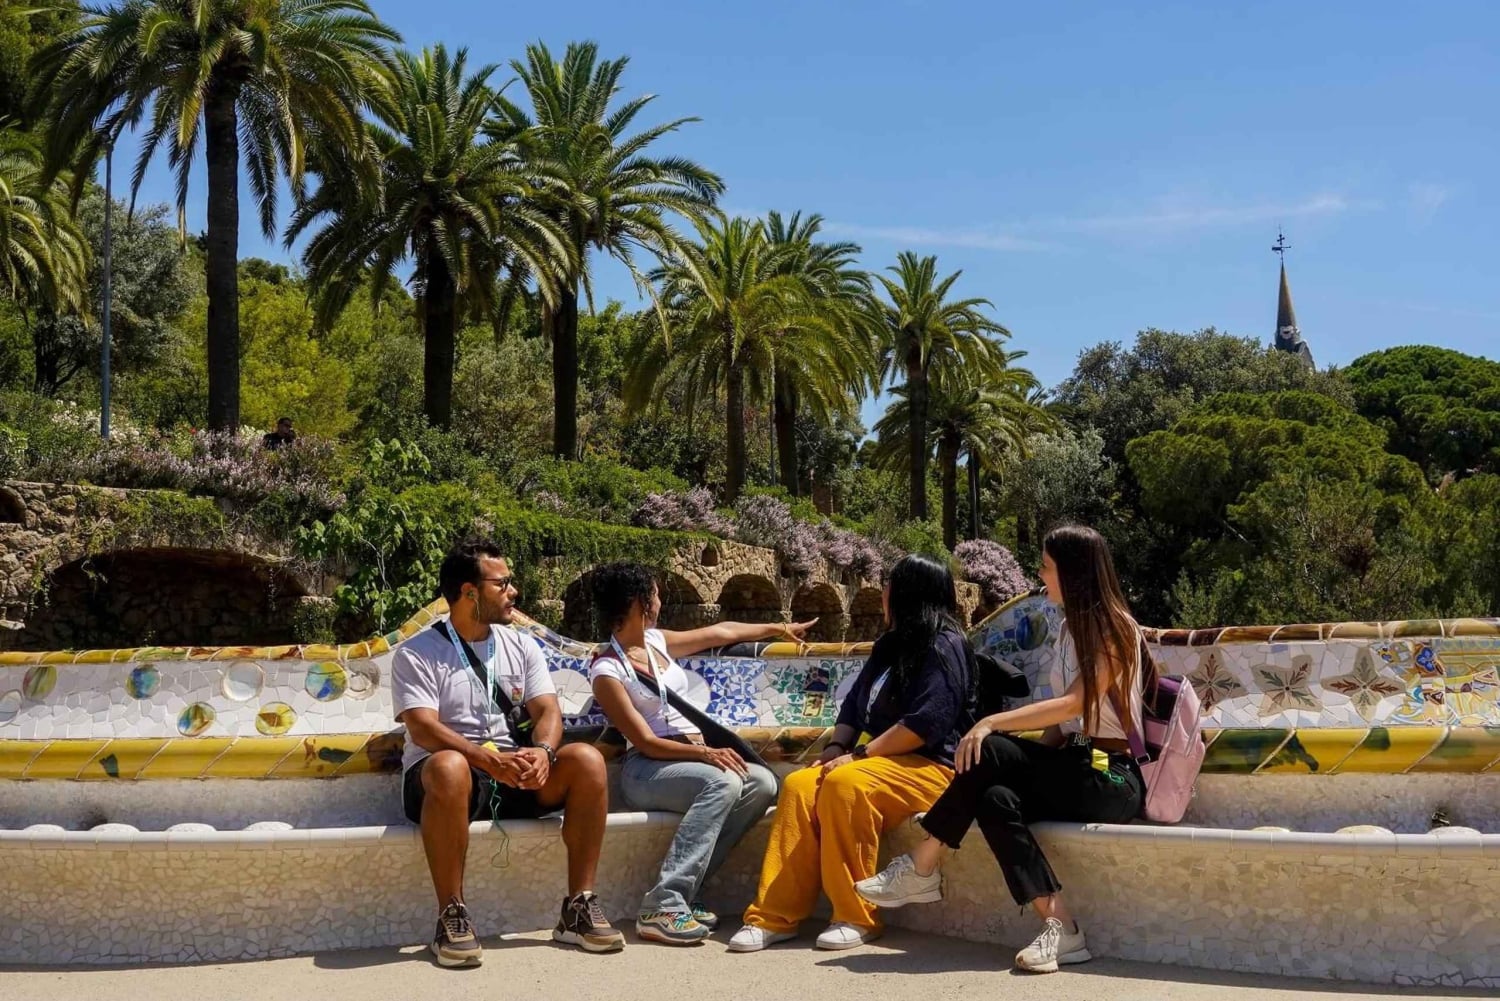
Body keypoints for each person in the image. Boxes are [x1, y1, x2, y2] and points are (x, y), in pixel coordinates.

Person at [855, 524, 1153, 973]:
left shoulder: (1113, 628)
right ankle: (1062, 928)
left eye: (1047, 567)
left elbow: (1074, 702)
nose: (1040, 575)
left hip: (1113, 776)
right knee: (994, 796)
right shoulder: (1070, 627)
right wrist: (1018, 751)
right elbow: (1063, 725)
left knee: (989, 747)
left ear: (1073, 573)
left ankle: (923, 863)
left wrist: (991, 724)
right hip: (1078, 763)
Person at [392, 536, 624, 967]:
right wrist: (487, 760)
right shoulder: (418, 653)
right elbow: (423, 728)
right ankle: (451, 916)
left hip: (512, 769)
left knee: (587, 761)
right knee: (449, 766)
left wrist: (543, 753)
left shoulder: (521, 645)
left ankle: (578, 907)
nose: (513, 592)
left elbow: (548, 711)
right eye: (503, 584)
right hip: (445, 780)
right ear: (468, 592)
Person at [727, 554, 975, 953]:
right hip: (880, 762)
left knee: (845, 783)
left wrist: (858, 758)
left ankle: (856, 915)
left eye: (890, 584)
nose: (883, 593)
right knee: (800, 785)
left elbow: (923, 725)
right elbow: (854, 707)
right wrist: (837, 747)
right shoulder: (890, 644)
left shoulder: (946, 646)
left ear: (910, 591)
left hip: (933, 768)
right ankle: (773, 916)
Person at [587, 562, 809, 945]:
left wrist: (776, 629)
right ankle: (663, 904)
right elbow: (643, 742)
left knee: (761, 782)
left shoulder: (655, 641)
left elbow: (720, 633)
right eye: (655, 594)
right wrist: (706, 756)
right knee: (722, 782)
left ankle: (689, 893)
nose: (660, 601)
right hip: (646, 769)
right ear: (641, 603)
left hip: (688, 758)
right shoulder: (607, 669)